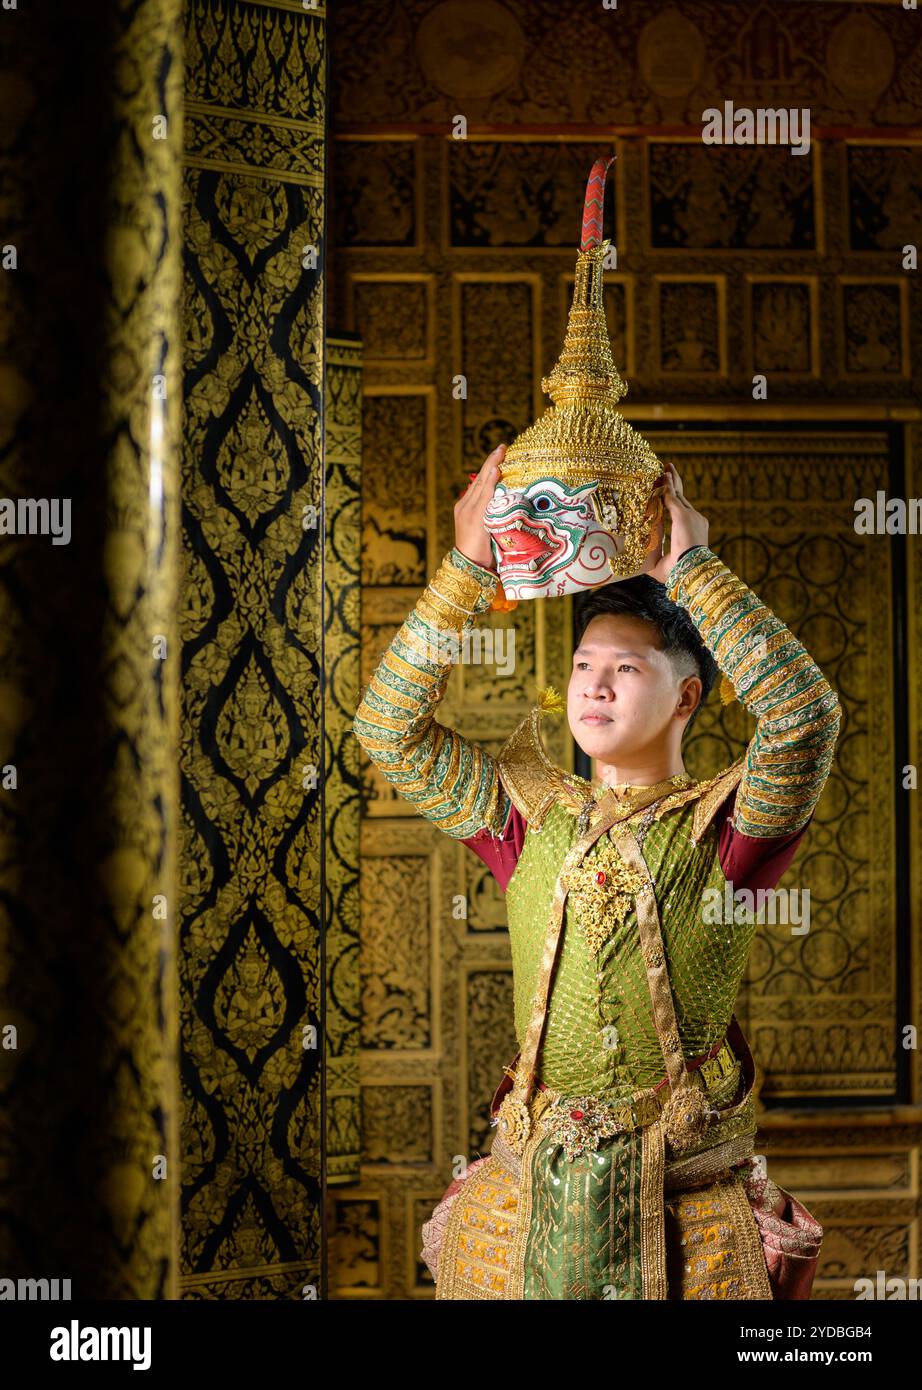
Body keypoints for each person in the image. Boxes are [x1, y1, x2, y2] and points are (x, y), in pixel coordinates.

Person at [352, 447, 840, 1301]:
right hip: (526, 1192)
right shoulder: (528, 815)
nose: (595, 686)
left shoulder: (728, 830)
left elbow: (803, 719)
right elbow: (388, 728)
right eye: (584, 666)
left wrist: (693, 569)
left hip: (685, 1211)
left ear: (687, 700)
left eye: (626, 669)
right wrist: (465, 568)